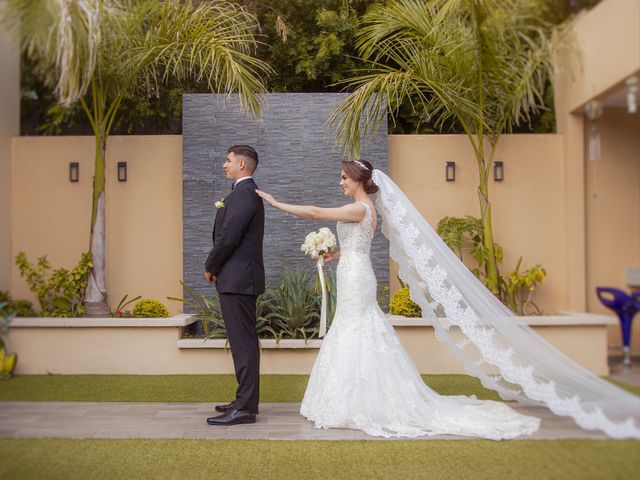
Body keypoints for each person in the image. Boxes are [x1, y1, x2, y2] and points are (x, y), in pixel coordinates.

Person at [256, 160, 541, 439]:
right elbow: (358, 247)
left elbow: (316, 213)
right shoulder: (367, 209)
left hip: (356, 277)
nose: (340, 182)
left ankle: (361, 403)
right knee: (353, 327)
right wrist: (336, 255)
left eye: (344, 177)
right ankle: (348, 398)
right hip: (353, 270)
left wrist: (277, 203)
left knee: (356, 328)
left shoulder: (360, 207)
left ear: (358, 180)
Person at [204, 145, 265, 426]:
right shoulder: (242, 194)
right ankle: (244, 401)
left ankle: (245, 408)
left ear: (242, 165)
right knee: (242, 343)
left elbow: (228, 237)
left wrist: (211, 265)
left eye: (227, 160)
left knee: (243, 343)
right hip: (238, 279)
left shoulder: (243, 195)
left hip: (238, 280)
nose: (223, 164)